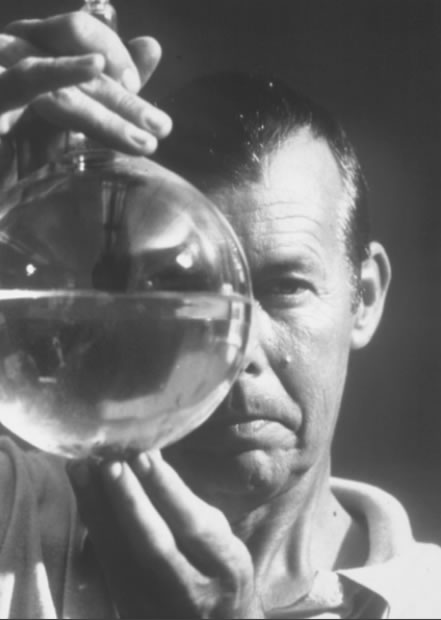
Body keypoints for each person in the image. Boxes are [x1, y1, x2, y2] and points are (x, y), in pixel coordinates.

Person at [0, 9, 439, 619]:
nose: (240, 354)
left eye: (286, 288)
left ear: (364, 297)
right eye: (186, 292)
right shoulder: (15, 523)